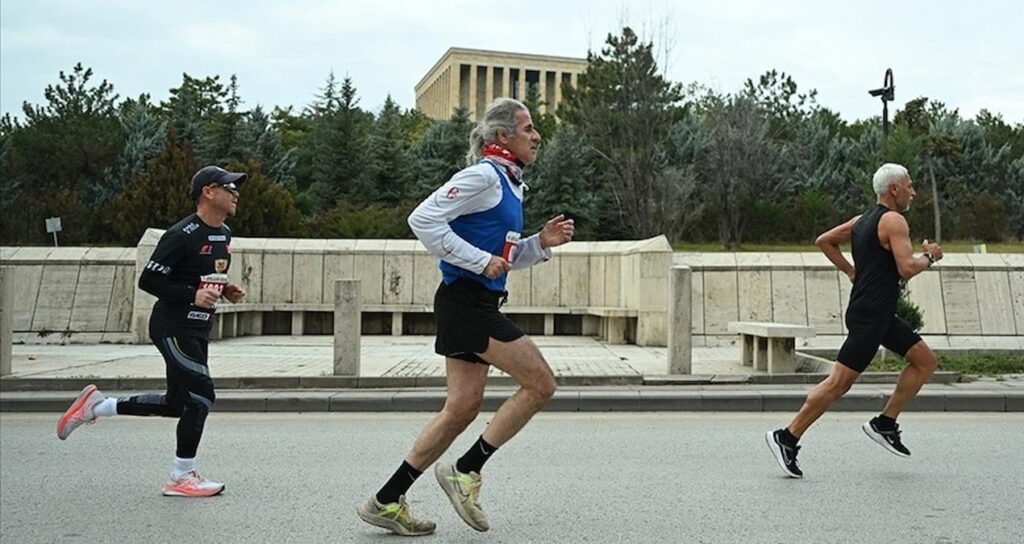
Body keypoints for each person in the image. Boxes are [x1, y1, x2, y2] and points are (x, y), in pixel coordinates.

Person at [357, 98, 575, 536]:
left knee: (460, 409)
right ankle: (465, 470)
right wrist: (477, 261)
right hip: (466, 302)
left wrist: (542, 242)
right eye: (527, 127)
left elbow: (504, 258)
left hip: (472, 301)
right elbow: (422, 219)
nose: (536, 136)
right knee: (541, 383)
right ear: (502, 137)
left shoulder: (509, 183)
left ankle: (385, 500)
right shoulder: (483, 176)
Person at [57, 165, 248, 497]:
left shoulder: (224, 234)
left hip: (199, 327)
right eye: (229, 187)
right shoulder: (181, 234)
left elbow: (197, 274)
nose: (236, 193)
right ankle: (180, 477)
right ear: (208, 192)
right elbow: (150, 280)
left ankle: (97, 406)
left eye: (235, 189)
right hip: (173, 327)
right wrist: (192, 295)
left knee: (178, 404)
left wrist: (225, 288)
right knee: (201, 396)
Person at [766, 163, 944, 478]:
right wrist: (929, 257)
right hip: (871, 316)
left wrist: (851, 271)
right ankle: (787, 436)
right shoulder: (894, 220)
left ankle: (885, 423)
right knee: (838, 382)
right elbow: (906, 268)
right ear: (894, 189)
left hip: (879, 314)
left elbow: (824, 240)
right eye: (909, 185)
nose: (913, 191)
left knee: (925, 362)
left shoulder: (862, 221)